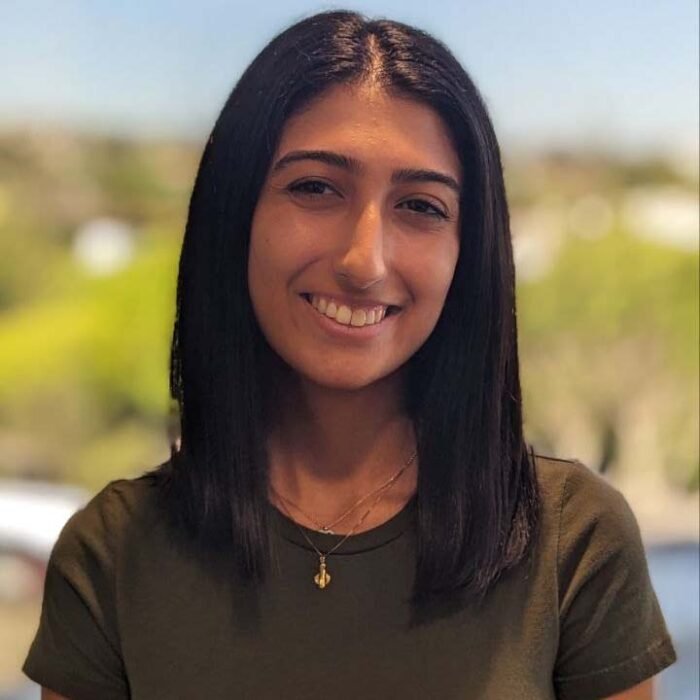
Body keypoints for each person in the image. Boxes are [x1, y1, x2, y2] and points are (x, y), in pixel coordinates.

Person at [23, 10, 677, 700]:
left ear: (468, 253)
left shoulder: (574, 541)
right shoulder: (112, 557)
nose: (364, 261)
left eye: (421, 206)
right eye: (316, 188)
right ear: (234, 215)